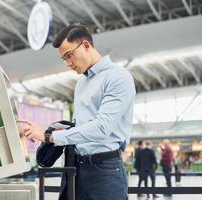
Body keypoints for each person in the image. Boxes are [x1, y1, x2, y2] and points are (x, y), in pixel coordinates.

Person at [18, 23, 136, 200]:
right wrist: (48, 130)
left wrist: (49, 136)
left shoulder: (118, 77)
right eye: (64, 59)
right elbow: (81, 126)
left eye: (69, 55)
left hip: (105, 170)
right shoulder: (81, 83)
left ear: (86, 45)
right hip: (76, 168)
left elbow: (101, 128)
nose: (68, 64)